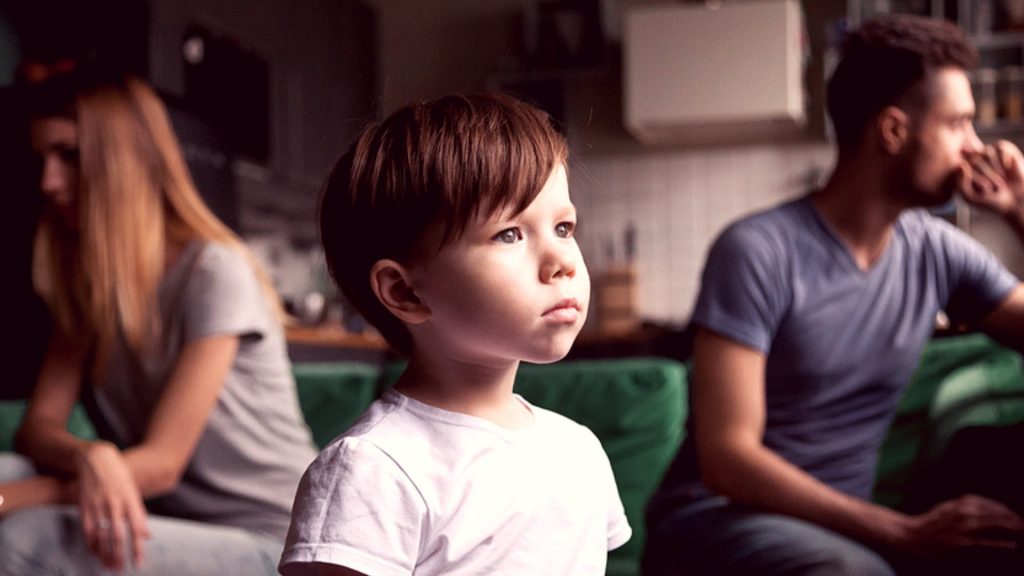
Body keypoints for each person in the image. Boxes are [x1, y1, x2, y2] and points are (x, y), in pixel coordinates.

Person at [642, 14, 1024, 576]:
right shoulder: (756, 250)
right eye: (960, 124)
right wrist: (903, 532)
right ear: (894, 131)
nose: (975, 147)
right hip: (713, 521)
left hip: (834, 532)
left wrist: (1018, 208)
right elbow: (728, 461)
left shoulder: (937, 251)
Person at [278, 93, 631, 575]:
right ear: (405, 292)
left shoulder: (578, 451)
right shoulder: (374, 469)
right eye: (510, 234)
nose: (563, 262)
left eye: (564, 227)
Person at [0, 67, 318, 575]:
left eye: (70, 155)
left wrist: (15, 498)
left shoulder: (215, 269)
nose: (48, 182)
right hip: (167, 514)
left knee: (22, 537)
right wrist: (91, 456)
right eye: (42, 159)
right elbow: (38, 428)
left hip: (276, 539)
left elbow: (161, 465)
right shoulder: (90, 281)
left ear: (123, 160)